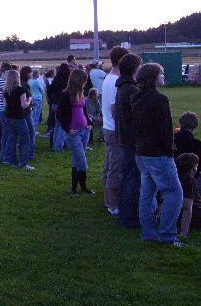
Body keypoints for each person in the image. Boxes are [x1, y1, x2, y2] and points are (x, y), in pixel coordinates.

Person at [131, 63, 184, 247]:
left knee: (147, 194)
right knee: (174, 193)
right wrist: (170, 149)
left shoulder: (136, 98)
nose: (163, 76)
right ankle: (167, 235)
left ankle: (149, 233)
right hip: (158, 154)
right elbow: (165, 129)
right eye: (161, 73)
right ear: (153, 77)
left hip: (141, 152)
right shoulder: (160, 99)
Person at [114, 53, 143, 229]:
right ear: (134, 69)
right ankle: (129, 217)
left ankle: (125, 214)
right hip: (132, 140)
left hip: (125, 138)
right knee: (133, 179)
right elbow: (137, 117)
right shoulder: (131, 89)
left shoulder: (122, 87)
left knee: (127, 178)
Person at [101, 45, 130, 215]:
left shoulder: (108, 78)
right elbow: (114, 109)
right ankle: (113, 205)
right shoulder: (114, 81)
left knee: (109, 164)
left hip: (108, 127)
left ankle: (107, 200)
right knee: (116, 167)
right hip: (114, 129)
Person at [57, 68, 94, 195]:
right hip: (74, 133)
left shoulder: (81, 92)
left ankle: (79, 188)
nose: (85, 83)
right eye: (84, 80)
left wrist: (89, 123)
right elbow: (59, 114)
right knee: (81, 161)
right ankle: (79, 187)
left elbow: (84, 111)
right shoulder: (66, 94)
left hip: (85, 130)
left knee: (76, 160)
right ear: (78, 80)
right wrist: (67, 129)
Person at [3, 69, 34, 169]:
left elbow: (5, 105)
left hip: (9, 117)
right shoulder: (21, 90)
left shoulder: (6, 90)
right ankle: (24, 163)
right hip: (19, 118)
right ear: (17, 78)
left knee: (12, 139)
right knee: (25, 140)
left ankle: (12, 161)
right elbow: (24, 105)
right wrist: (29, 100)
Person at [48, 63, 71, 152]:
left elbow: (49, 90)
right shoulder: (67, 81)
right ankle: (59, 147)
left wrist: (51, 100)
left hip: (54, 104)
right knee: (63, 126)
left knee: (57, 125)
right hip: (62, 105)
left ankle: (54, 145)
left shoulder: (56, 80)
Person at [176, 153, 199, 237]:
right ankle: (184, 231)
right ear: (192, 169)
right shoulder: (189, 181)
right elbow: (187, 206)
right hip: (198, 214)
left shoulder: (174, 178)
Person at [0, 63, 12, 163]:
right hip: (3, 111)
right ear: (4, 73)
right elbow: (4, 96)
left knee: (6, 134)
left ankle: (3, 156)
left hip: (0, 110)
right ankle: (5, 157)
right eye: (8, 73)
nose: (9, 75)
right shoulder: (1, 82)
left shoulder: (1, 81)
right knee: (6, 134)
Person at [29, 69, 46, 136]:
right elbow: (42, 90)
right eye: (38, 73)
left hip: (32, 98)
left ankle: (31, 129)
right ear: (36, 74)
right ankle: (34, 131)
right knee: (36, 115)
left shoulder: (29, 81)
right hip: (38, 98)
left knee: (32, 114)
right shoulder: (36, 81)